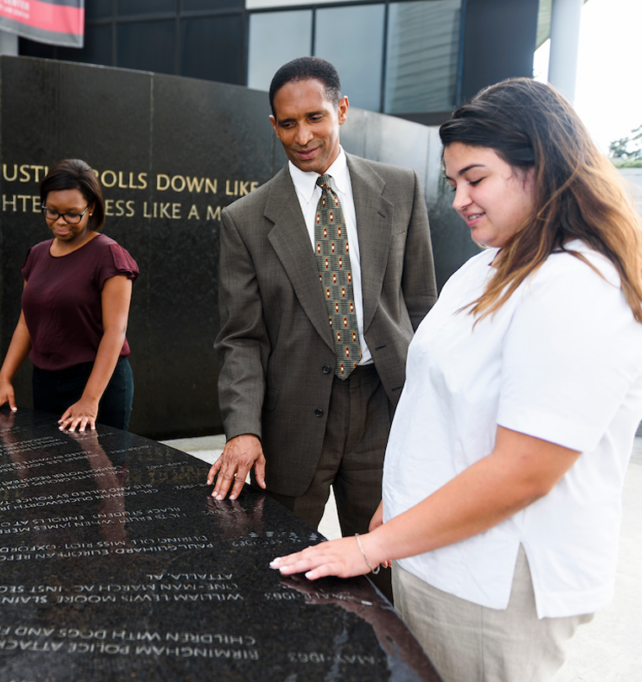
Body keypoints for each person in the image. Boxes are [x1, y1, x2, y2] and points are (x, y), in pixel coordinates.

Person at [270, 78, 642, 682]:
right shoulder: (486, 266)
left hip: (494, 583)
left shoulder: (577, 286)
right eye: (453, 184)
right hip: (432, 553)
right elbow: (437, 401)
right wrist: (399, 500)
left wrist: (365, 550)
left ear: (542, 167)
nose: (460, 199)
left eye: (477, 178)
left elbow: (523, 469)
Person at [208, 56, 437, 597]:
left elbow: (423, 306)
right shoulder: (244, 219)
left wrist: (435, 413)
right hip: (291, 419)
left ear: (342, 110)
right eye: (288, 123)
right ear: (273, 126)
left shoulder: (399, 190)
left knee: (387, 570)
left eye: (315, 117)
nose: (302, 135)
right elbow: (241, 338)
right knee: (282, 574)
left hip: (384, 406)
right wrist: (242, 429)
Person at [0, 159, 137, 432]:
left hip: (98, 383)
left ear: (91, 208)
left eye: (72, 214)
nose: (60, 222)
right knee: (49, 470)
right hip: (45, 381)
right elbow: (27, 322)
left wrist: (89, 399)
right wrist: (4, 379)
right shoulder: (36, 254)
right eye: (52, 212)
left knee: (102, 473)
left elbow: (115, 332)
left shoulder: (109, 254)